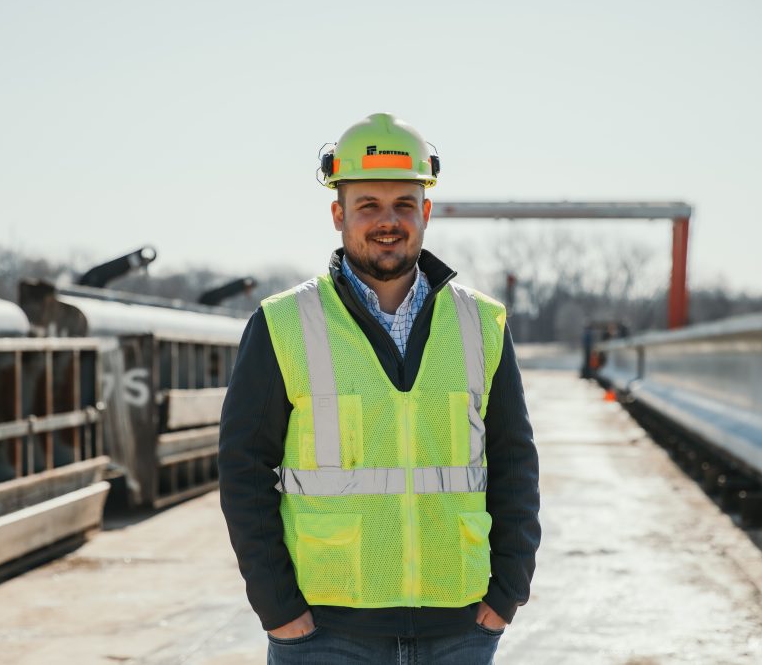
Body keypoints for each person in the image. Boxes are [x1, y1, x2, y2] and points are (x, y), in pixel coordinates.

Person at [219, 113, 541, 664]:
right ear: (339, 213)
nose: (387, 221)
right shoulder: (284, 323)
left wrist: (507, 591)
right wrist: (277, 608)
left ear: (426, 213)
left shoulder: (482, 323)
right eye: (368, 205)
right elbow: (243, 468)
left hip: (459, 625)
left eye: (404, 205)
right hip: (326, 632)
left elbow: (514, 462)